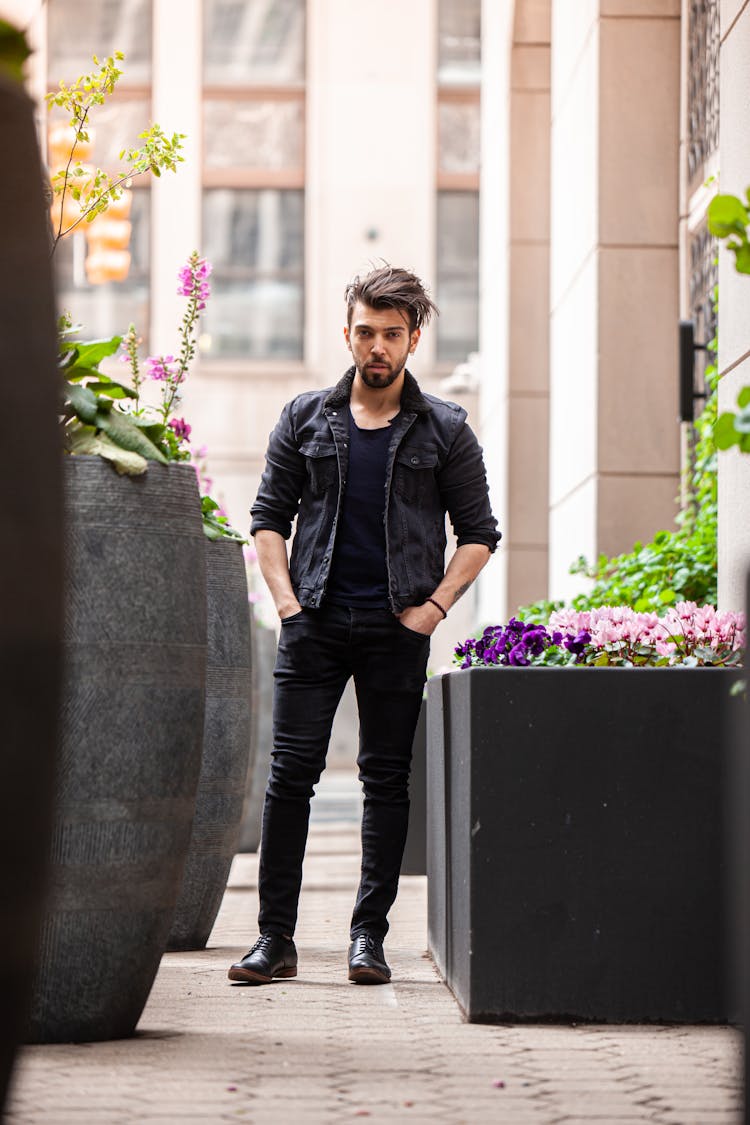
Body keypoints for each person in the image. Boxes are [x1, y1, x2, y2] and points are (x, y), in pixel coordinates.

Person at [228, 264, 500, 987]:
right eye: (365, 332)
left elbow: (478, 533)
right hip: (313, 621)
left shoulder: (445, 428)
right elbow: (267, 519)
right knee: (290, 778)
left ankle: (366, 939)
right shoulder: (303, 418)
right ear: (346, 333)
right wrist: (288, 605)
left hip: (396, 627)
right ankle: (274, 939)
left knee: (385, 782)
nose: (376, 346)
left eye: (391, 334)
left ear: (414, 337)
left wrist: (431, 611)